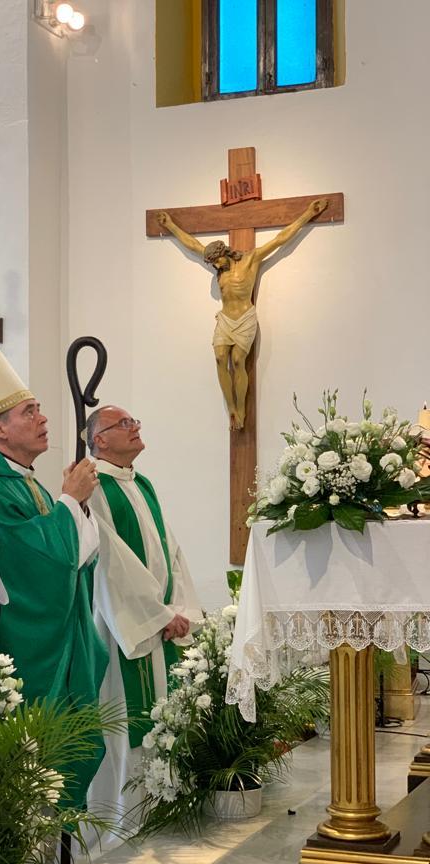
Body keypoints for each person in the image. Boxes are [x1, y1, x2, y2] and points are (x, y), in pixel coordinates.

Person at [0, 345, 108, 808]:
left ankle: (62, 852)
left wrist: (72, 505)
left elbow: (77, 555)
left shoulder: (27, 481)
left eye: (40, 408)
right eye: (30, 411)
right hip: (24, 644)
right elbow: (32, 566)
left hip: (63, 638)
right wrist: (68, 503)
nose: (43, 418)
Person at [85, 405, 202, 829]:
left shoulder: (141, 483)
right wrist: (155, 616)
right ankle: (124, 818)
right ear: (99, 439)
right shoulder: (94, 486)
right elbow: (110, 562)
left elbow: (169, 551)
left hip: (159, 625)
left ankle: (162, 803)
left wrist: (180, 610)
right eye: (124, 424)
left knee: (161, 715)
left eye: (136, 422)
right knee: (125, 720)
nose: (135, 429)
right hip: (123, 628)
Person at [157, 198, 327, 429]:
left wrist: (308, 213)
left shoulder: (251, 260)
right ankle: (231, 408)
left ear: (224, 253)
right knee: (219, 358)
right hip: (226, 318)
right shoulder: (218, 265)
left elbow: (280, 239)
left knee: (238, 361)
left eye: (216, 261)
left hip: (245, 317)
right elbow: (193, 244)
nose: (215, 267)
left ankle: (242, 408)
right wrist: (170, 225)